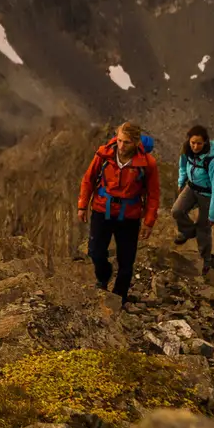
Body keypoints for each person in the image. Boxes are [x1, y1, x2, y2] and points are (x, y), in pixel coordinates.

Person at [77, 121, 159, 306]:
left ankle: (119, 298)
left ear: (136, 142)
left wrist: (149, 222)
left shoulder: (147, 164)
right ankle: (103, 277)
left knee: (126, 261)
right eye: (120, 140)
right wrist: (82, 205)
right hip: (102, 209)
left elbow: (153, 194)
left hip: (129, 216)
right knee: (95, 252)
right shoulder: (104, 155)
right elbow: (88, 180)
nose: (121, 146)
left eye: (127, 142)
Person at [171, 125, 214, 272]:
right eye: (193, 142)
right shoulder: (187, 149)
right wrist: (181, 181)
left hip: (207, 194)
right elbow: (182, 165)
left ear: (206, 142)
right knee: (177, 211)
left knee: (204, 228)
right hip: (192, 187)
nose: (195, 146)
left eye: (199, 143)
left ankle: (206, 259)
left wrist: (213, 214)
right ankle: (189, 231)